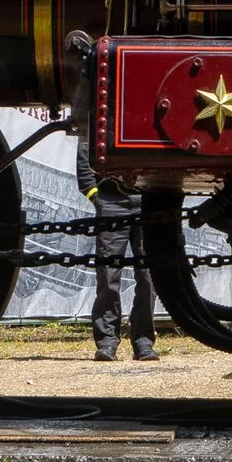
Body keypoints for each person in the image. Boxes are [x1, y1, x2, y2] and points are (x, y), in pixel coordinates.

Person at [75, 132, 156, 361]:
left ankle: (143, 342)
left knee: (148, 277)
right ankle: (107, 342)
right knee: (108, 277)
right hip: (111, 205)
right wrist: (98, 199)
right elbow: (84, 157)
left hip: (146, 203)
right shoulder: (99, 120)